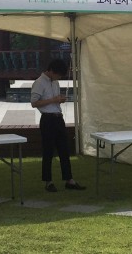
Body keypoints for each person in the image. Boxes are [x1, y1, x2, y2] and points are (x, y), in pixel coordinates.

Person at [30, 59, 85, 192]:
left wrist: (59, 100)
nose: (59, 77)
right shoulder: (39, 82)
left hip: (58, 117)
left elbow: (53, 100)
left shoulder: (55, 82)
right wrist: (53, 100)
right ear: (51, 71)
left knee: (64, 150)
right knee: (48, 151)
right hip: (47, 119)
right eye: (58, 75)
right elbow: (34, 103)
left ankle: (69, 179)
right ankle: (48, 181)